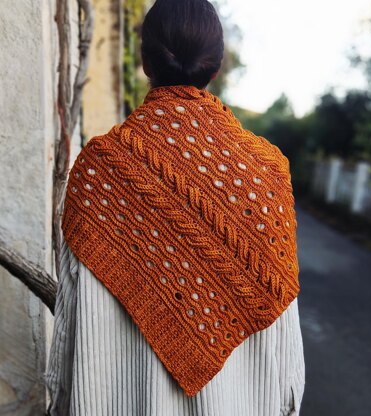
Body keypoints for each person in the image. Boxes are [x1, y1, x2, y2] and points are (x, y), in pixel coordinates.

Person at [45, 0, 305, 415]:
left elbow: (69, 320)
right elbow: (286, 340)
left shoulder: (99, 170)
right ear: (215, 68)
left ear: (146, 63)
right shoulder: (266, 174)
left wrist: (60, 402)